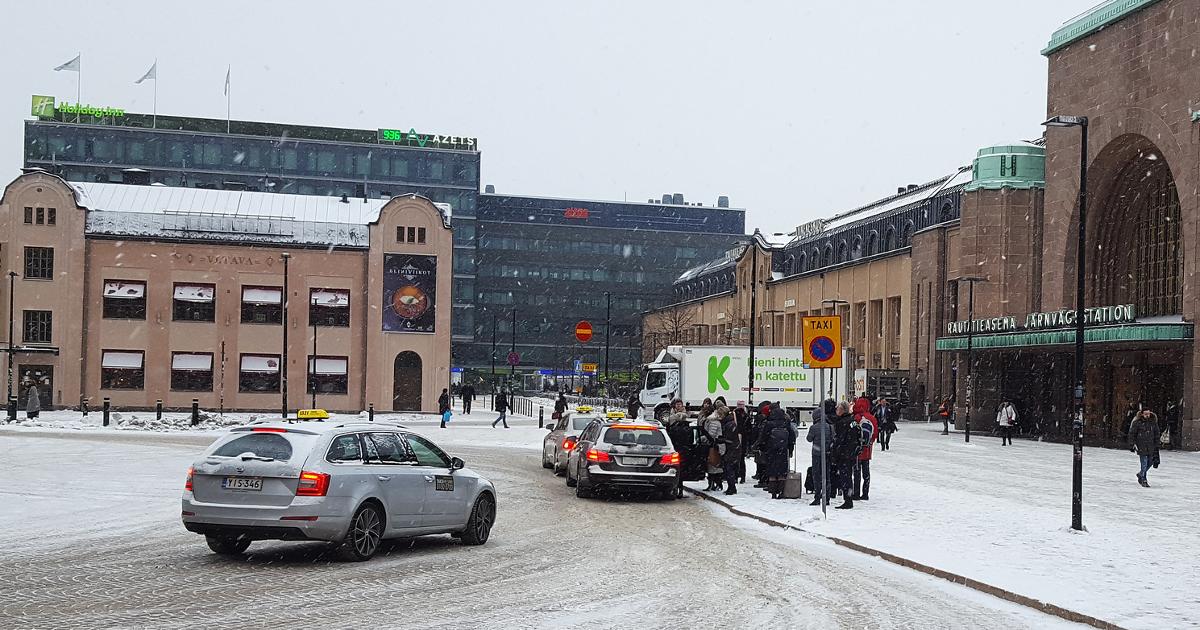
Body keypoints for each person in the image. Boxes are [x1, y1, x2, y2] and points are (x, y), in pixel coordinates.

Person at [756, 402, 797, 499]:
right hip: (783, 449)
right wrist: (790, 448)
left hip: (771, 449)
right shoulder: (785, 422)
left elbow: (763, 437)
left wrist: (762, 447)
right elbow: (791, 436)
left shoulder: (769, 423)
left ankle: (773, 492)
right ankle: (781, 491)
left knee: (772, 471)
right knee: (782, 471)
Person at [830, 401, 861, 509]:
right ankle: (849, 497)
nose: (836, 410)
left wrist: (835, 453)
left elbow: (839, 439)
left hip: (844, 454)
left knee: (845, 478)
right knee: (848, 477)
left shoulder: (842, 422)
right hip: (851, 453)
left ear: (843, 410)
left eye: (838, 408)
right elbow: (857, 435)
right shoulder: (852, 421)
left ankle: (848, 500)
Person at [806, 400, 834, 505]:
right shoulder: (830, 427)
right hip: (827, 454)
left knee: (817, 476)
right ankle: (827, 498)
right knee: (826, 476)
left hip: (816, 454)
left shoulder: (813, 427)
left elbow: (809, 439)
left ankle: (817, 497)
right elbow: (833, 438)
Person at [852, 397, 877, 501]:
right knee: (866, 473)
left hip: (857, 450)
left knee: (857, 473)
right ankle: (865, 493)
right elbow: (875, 434)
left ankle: (856, 493)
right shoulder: (872, 418)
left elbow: (852, 432)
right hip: (867, 450)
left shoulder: (856, 418)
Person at [1128, 408, 1161, 487]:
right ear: (1142, 414)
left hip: (1151, 445)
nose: (1147, 415)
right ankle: (1143, 479)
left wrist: (1157, 444)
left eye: (1148, 414)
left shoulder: (1153, 423)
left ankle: (1141, 474)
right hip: (1141, 445)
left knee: (1151, 461)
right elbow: (1132, 433)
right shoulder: (1137, 423)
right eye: (1145, 414)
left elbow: (1157, 434)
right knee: (1144, 462)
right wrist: (1132, 444)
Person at [701, 402, 726, 491]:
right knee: (713, 466)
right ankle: (714, 484)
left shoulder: (713, 421)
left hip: (715, 446)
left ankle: (716, 484)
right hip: (713, 445)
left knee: (713, 465)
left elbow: (711, 435)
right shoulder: (712, 420)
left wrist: (701, 438)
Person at [720, 405, 742, 495]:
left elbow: (729, 438)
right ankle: (731, 487)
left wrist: (722, 439)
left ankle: (732, 488)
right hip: (733, 448)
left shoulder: (729, 424)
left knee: (729, 468)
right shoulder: (730, 422)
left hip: (732, 449)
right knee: (729, 468)